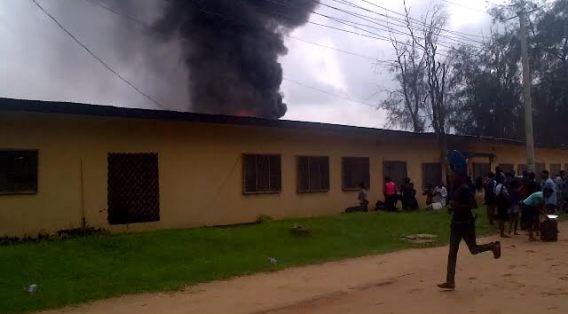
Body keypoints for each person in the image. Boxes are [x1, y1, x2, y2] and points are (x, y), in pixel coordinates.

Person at [437, 171, 501, 290]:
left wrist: (457, 207)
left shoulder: (465, 189)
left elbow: (474, 205)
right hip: (456, 224)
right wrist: (452, 208)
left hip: (466, 224)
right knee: (452, 253)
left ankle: (493, 246)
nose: (451, 176)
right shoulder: (454, 189)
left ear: (460, 176)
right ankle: (450, 281)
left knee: (474, 249)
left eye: (454, 174)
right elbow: (455, 204)